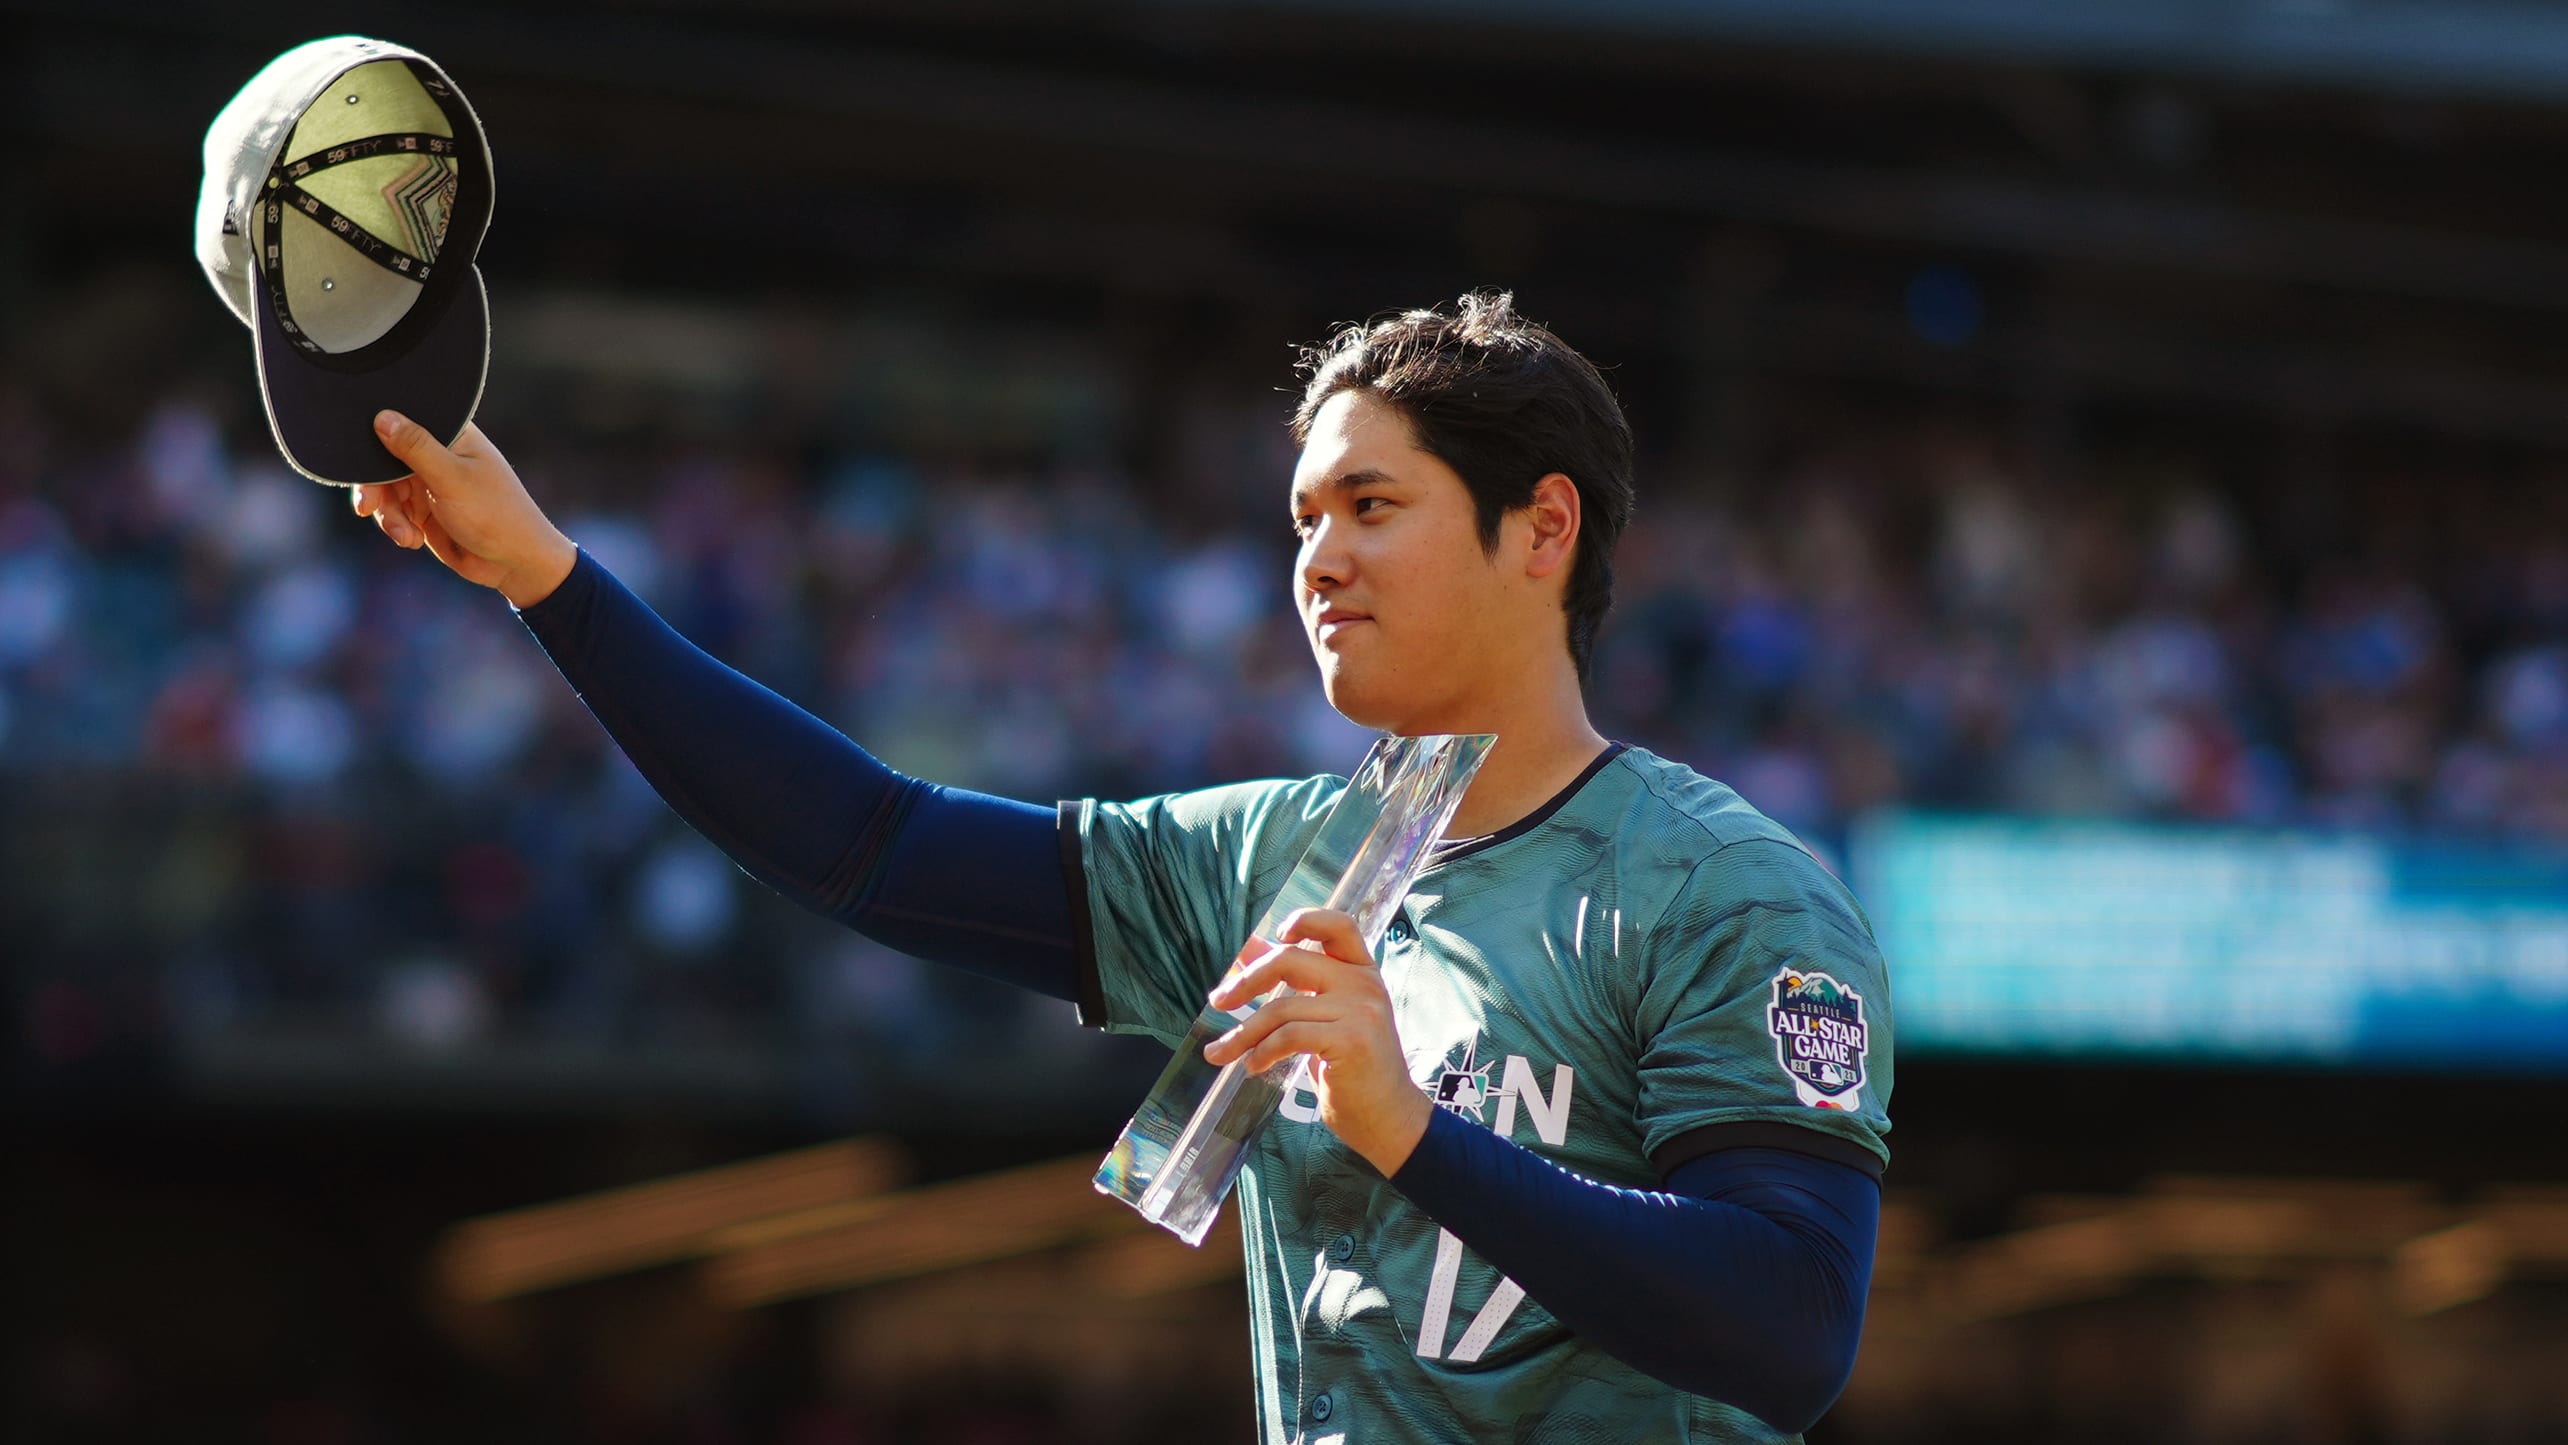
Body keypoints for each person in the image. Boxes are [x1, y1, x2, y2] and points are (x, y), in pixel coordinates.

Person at [354, 292, 1892, 1444]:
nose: (1319, 559)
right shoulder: (1274, 859)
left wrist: (1409, 1130)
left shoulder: (1727, 887)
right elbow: (867, 847)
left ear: (1541, 527)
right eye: (1303, 517)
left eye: (1373, 505)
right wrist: (546, 575)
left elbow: (1791, 1324)